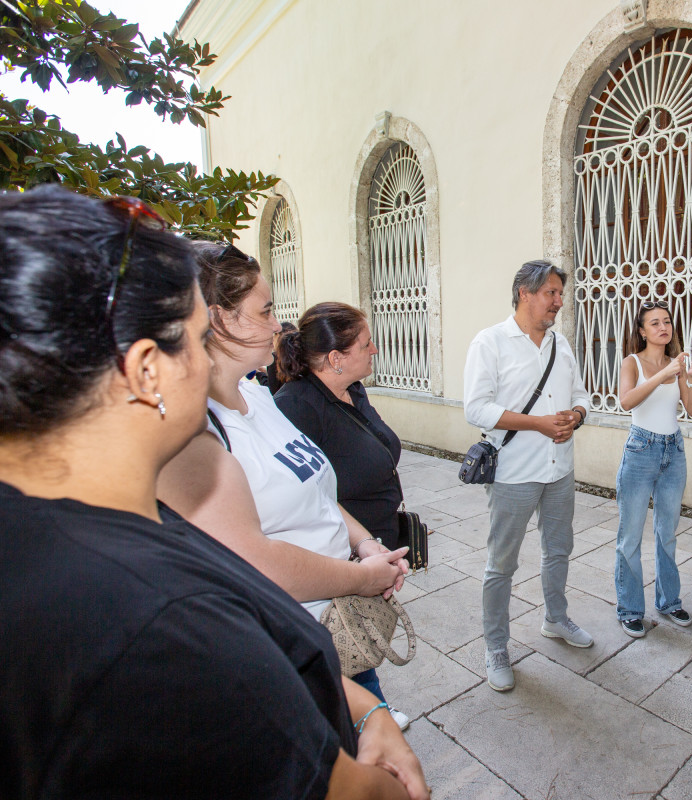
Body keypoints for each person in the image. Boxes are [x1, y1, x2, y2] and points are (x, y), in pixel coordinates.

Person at [0, 186, 427, 799]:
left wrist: (362, 706)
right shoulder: (168, 618)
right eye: (200, 339)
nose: (209, 362)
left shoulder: (63, 527)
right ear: (149, 370)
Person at [157, 242, 414, 729]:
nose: (279, 326)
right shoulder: (196, 433)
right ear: (220, 320)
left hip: (336, 624)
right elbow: (253, 562)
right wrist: (365, 578)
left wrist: (365, 544)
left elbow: (315, 489)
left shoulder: (258, 395)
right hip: (287, 642)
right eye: (266, 310)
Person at [463, 260, 594, 692]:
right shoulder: (491, 342)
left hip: (560, 469)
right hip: (514, 474)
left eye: (560, 294)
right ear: (524, 293)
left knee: (558, 550)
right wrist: (537, 423)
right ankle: (496, 646)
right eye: (551, 293)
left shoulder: (561, 343)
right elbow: (476, 408)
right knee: (502, 564)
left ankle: (555, 619)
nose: (559, 302)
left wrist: (575, 415)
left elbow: (580, 394)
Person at [274, 303, 405, 554]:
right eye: (366, 344)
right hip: (344, 558)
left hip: (380, 546)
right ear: (336, 358)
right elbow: (307, 498)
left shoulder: (353, 389)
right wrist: (362, 543)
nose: (374, 350)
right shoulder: (296, 407)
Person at [613, 299, 692, 638]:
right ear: (641, 331)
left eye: (666, 321)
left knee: (667, 533)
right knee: (631, 536)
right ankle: (630, 609)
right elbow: (626, 401)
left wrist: (690, 378)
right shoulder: (631, 362)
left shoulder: (677, 364)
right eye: (654, 323)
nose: (662, 327)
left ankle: (668, 601)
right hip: (640, 450)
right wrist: (664, 375)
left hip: (673, 451)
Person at [267, 320, 298, 394]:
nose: (272, 338)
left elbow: (272, 391)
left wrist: (259, 375)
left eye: (275, 334)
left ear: (279, 336)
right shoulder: (299, 356)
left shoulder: (275, 358)